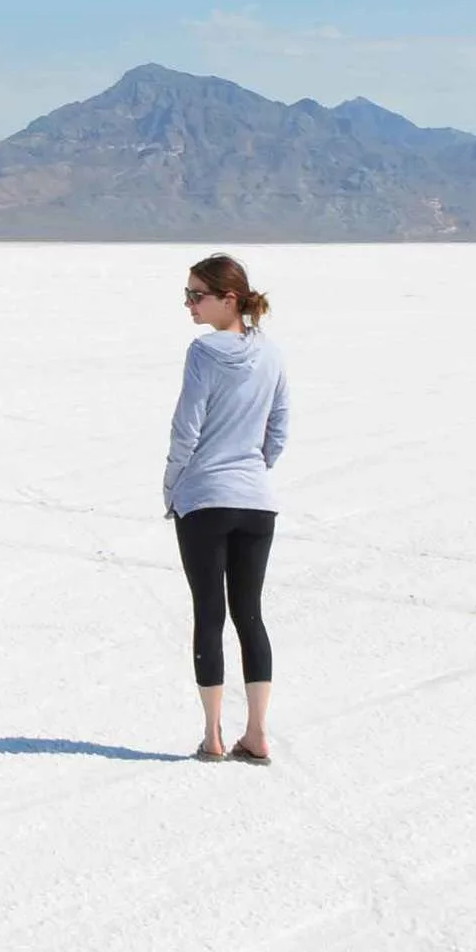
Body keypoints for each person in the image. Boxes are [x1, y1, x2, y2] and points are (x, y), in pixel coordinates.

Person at [164, 254, 286, 762]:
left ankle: (213, 735)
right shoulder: (271, 353)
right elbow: (278, 429)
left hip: (205, 499)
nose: (189, 305)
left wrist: (174, 486)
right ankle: (256, 733)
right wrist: (254, 469)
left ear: (228, 299)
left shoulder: (203, 353)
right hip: (257, 504)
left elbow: (186, 428)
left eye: (197, 295)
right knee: (250, 616)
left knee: (209, 613)